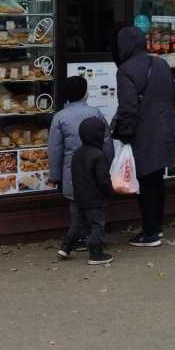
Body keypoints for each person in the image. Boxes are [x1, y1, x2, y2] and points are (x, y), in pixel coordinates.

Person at [111, 25, 175, 248]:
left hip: (144, 132)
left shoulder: (125, 70)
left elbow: (128, 108)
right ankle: (156, 227)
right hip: (165, 128)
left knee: (145, 182)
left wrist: (123, 135)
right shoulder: (160, 63)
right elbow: (174, 94)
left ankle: (150, 232)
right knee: (156, 180)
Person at [57, 116, 115, 265]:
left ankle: (65, 247)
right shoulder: (99, 155)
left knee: (77, 224)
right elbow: (103, 180)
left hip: (78, 196)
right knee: (97, 225)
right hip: (94, 199)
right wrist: (110, 192)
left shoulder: (77, 153)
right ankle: (96, 254)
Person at [48, 76, 97, 251]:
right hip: (94, 170)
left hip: (72, 173)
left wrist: (54, 175)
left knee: (75, 207)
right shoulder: (95, 113)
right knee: (95, 207)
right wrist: (108, 166)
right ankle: (93, 239)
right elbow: (106, 143)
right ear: (85, 94)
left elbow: (55, 149)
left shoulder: (60, 117)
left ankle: (77, 239)